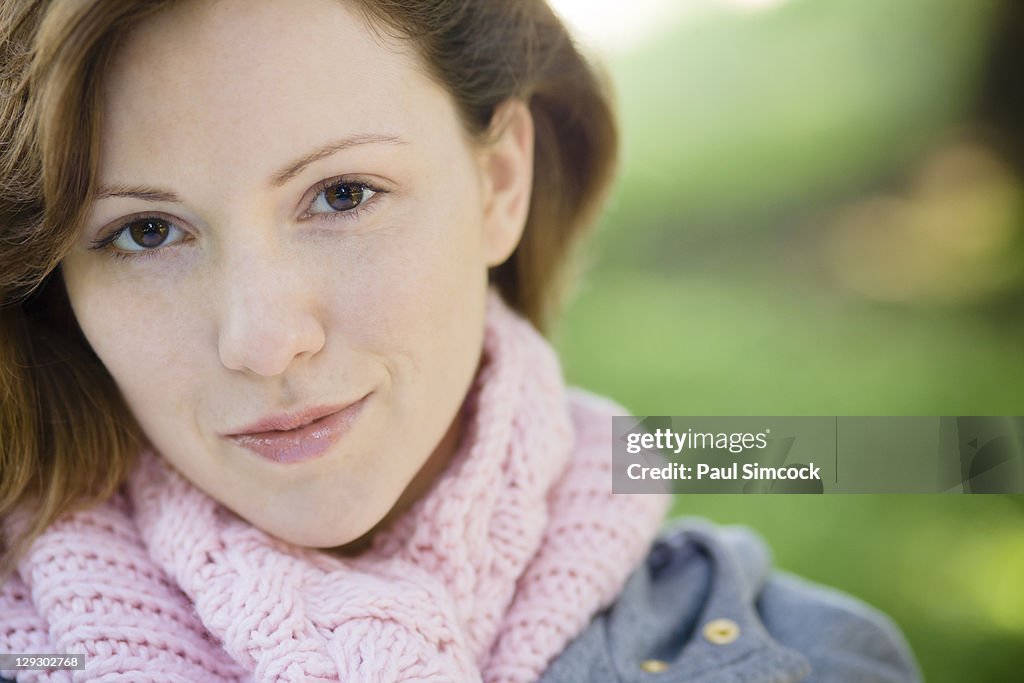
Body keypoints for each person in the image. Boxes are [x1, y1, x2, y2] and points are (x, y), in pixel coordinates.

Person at [0, 1, 920, 681]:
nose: (265, 340)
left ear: (499, 185)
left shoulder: (805, 658)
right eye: (147, 232)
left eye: (343, 194)